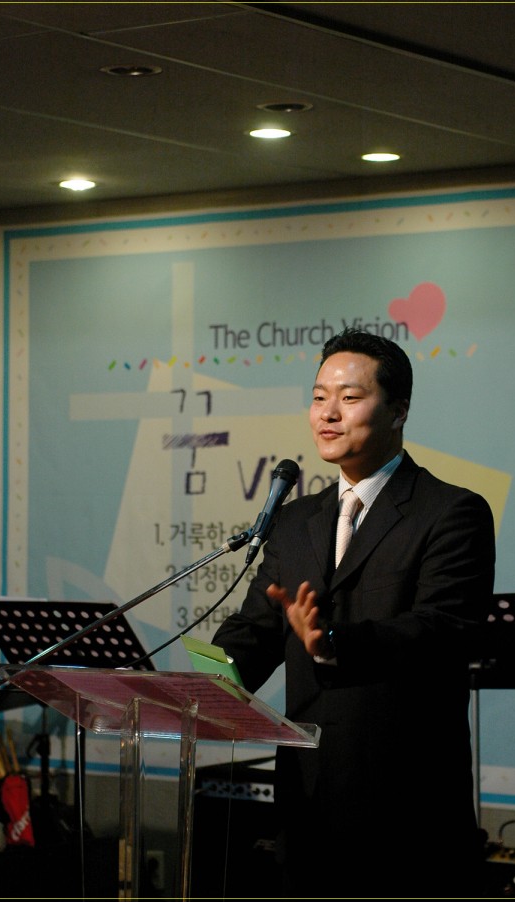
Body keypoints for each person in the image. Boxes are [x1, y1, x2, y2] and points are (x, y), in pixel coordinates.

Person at [212, 327, 495, 899]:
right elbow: (256, 631)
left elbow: (442, 630)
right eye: (319, 397)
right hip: (307, 808)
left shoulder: (451, 512)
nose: (328, 413)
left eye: (349, 397)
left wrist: (332, 642)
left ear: (399, 410)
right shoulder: (296, 521)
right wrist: (199, 681)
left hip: (407, 811)